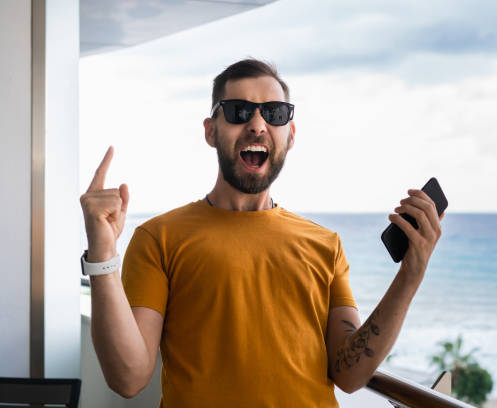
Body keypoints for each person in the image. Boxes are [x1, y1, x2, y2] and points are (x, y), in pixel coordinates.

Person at [79, 59, 444, 407]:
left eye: (274, 113)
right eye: (239, 111)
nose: (257, 125)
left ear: (290, 134)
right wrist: (102, 254)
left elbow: (349, 374)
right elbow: (127, 378)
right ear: (210, 130)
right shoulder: (159, 238)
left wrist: (411, 274)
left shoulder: (325, 245)